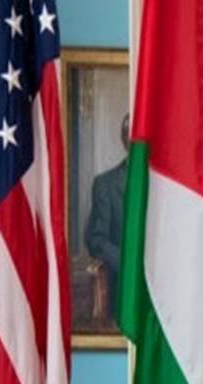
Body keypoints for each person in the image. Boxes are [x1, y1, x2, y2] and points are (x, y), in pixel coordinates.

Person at [84, 113, 129, 320]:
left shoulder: (168, 186)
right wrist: (127, 263)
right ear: (124, 139)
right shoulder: (106, 184)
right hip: (122, 286)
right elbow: (96, 240)